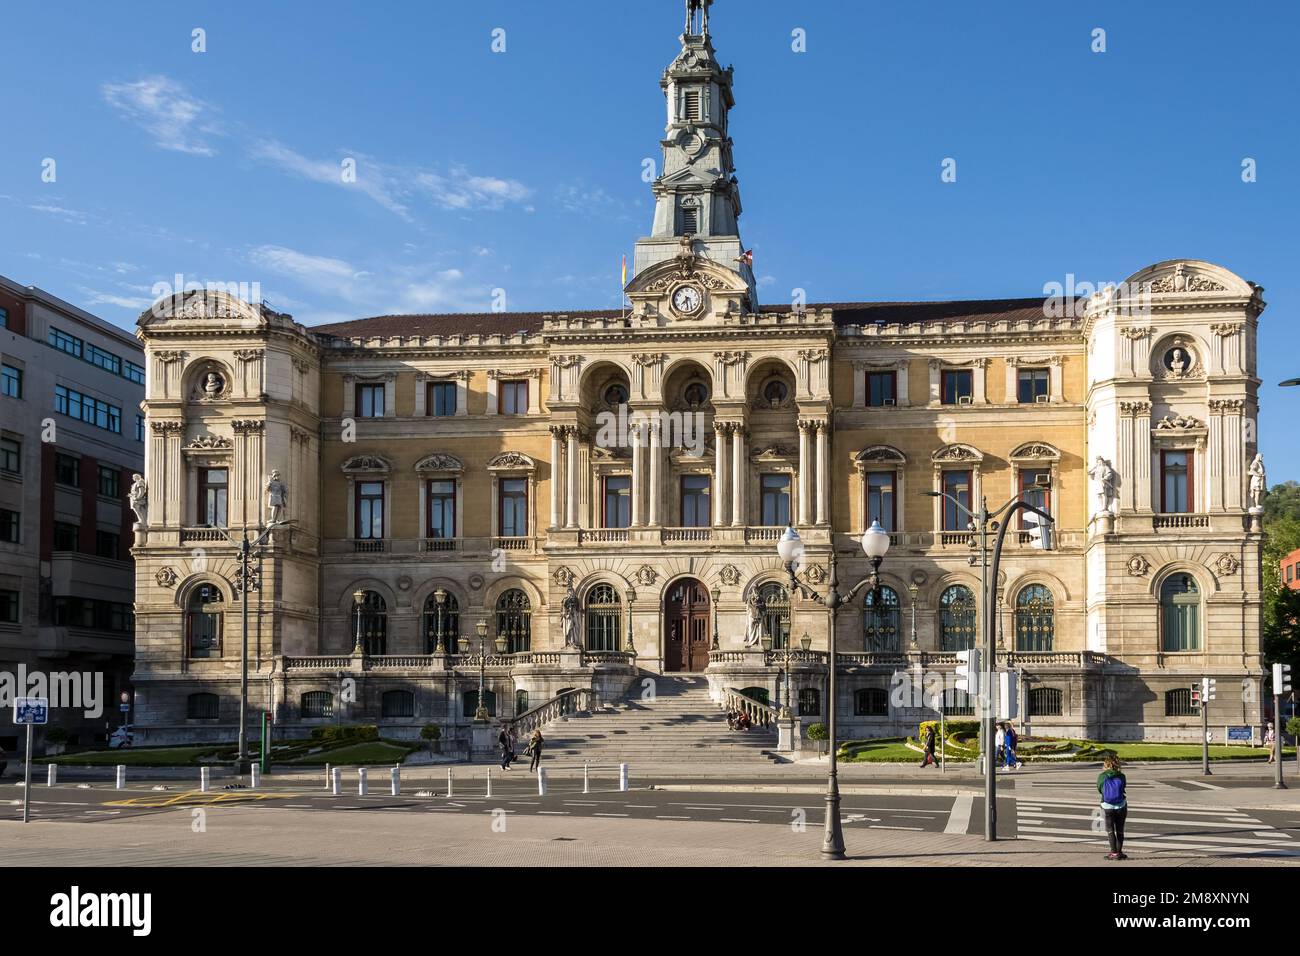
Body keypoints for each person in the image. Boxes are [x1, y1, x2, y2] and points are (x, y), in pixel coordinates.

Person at [1098, 754, 1128, 860]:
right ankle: (1119, 853)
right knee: (1120, 830)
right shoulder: (1121, 776)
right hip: (1121, 806)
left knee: (1110, 830)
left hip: (1107, 806)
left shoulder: (1102, 776)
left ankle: (1113, 853)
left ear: (1106, 764)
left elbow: (1099, 788)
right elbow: (1123, 787)